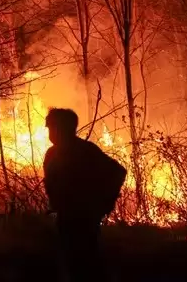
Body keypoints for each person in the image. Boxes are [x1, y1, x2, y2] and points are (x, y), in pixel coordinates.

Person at [43, 108, 127, 282]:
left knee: (87, 262)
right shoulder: (52, 153)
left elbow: (118, 171)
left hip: (84, 218)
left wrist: (105, 203)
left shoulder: (85, 150)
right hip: (65, 216)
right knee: (69, 262)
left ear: (62, 128)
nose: (49, 132)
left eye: (51, 127)